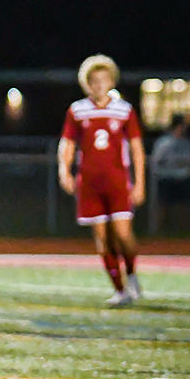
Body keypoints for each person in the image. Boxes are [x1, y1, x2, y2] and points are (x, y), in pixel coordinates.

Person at [58, 54, 145, 307]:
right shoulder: (77, 110)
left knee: (123, 235)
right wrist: (64, 171)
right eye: (94, 80)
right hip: (90, 185)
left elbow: (137, 148)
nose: (99, 85)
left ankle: (131, 274)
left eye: (103, 79)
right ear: (87, 83)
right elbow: (67, 143)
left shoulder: (124, 110)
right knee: (102, 239)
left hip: (118, 182)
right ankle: (120, 290)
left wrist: (140, 183)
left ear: (111, 81)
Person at [150, 112, 190, 229]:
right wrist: (169, 162)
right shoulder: (164, 141)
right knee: (162, 206)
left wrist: (185, 163)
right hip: (166, 177)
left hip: (183, 177)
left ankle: (182, 232)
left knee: (183, 207)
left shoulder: (187, 142)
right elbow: (156, 159)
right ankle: (157, 231)